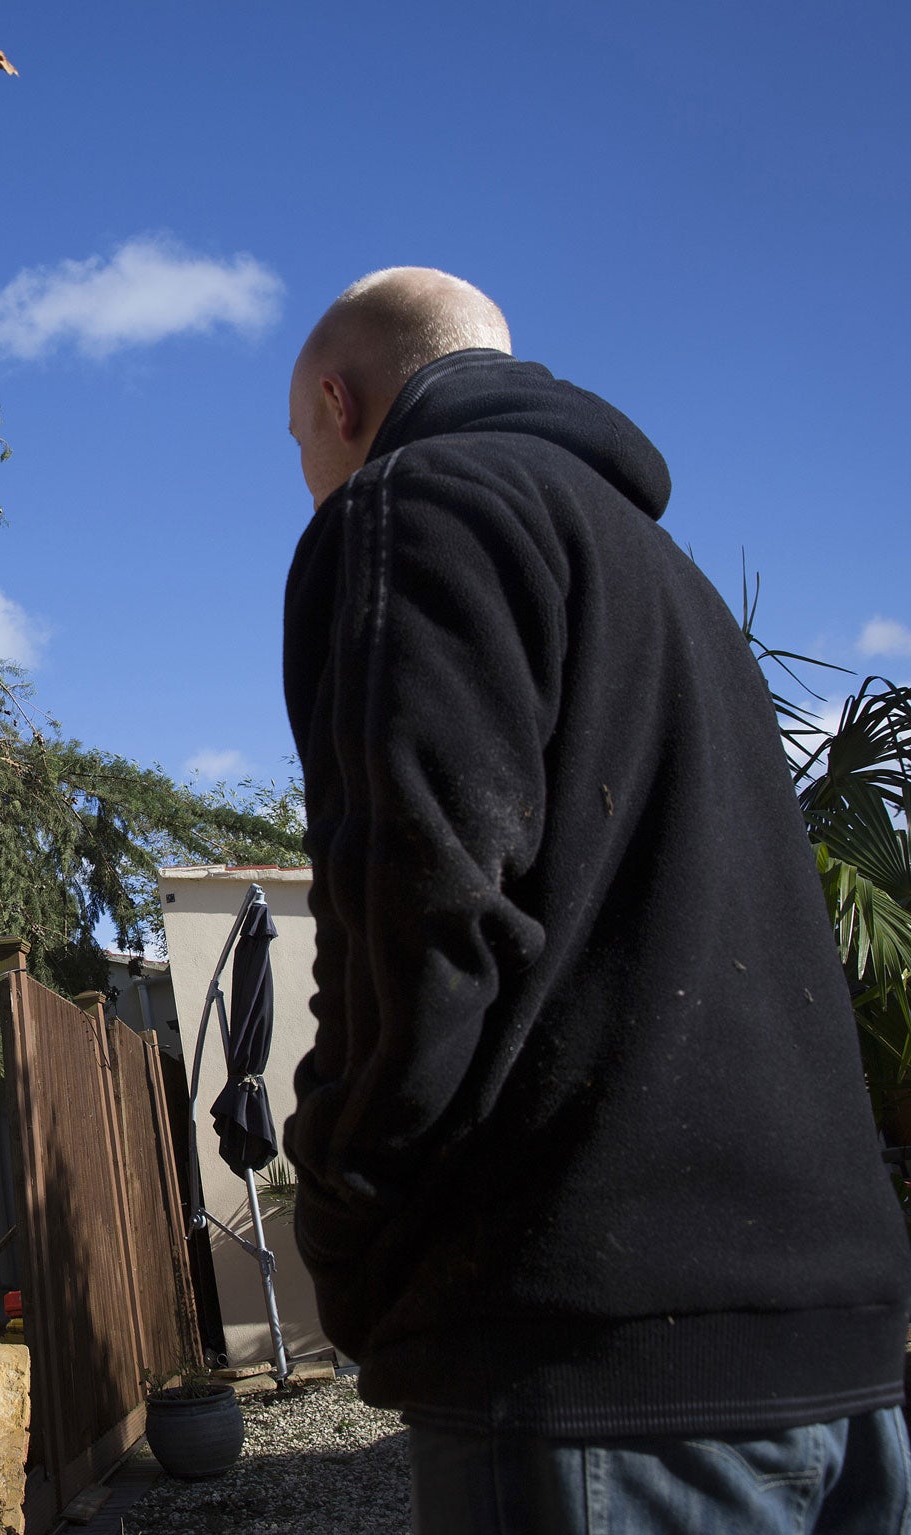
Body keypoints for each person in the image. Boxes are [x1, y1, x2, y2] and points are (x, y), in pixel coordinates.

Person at [279, 268, 911, 1533]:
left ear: (340, 403)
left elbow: (416, 907)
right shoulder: (666, 580)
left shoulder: (411, 507)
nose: (309, 474)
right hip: (837, 1368)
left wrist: (342, 1223)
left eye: (301, 443)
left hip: (593, 1374)